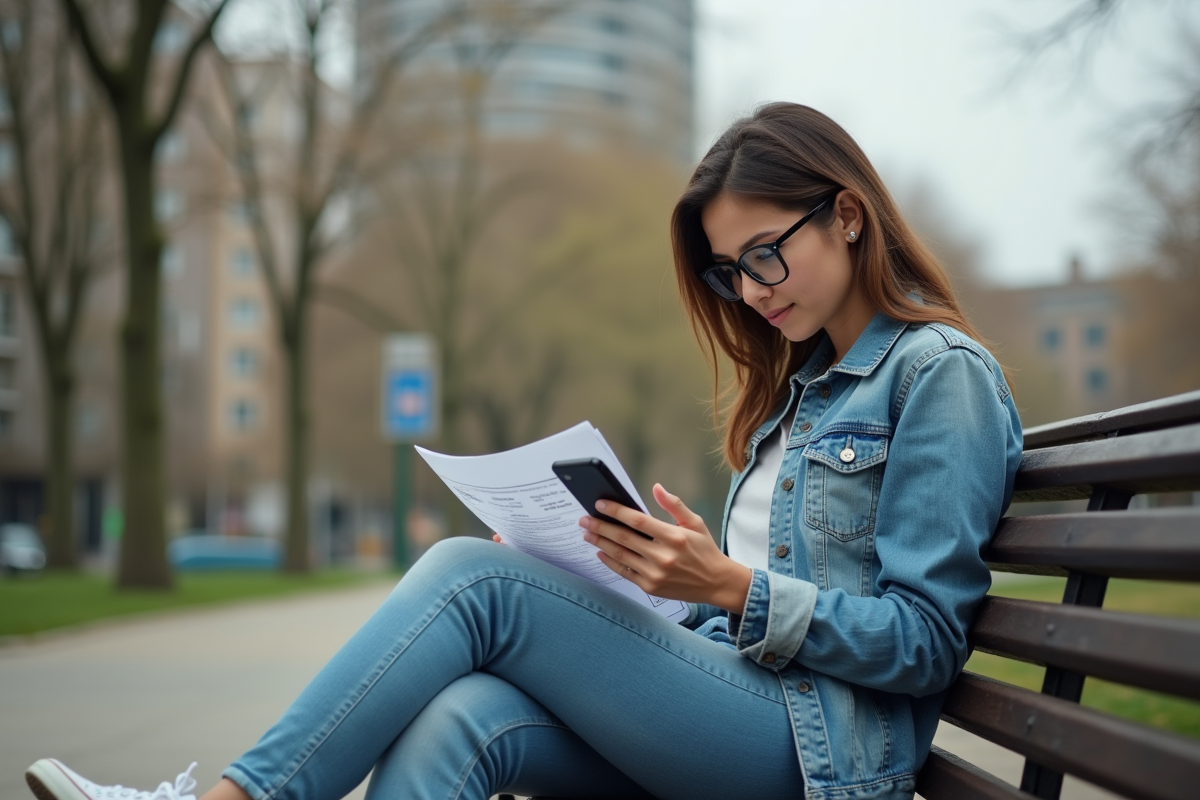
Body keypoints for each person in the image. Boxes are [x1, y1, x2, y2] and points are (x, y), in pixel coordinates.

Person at [25, 103, 1022, 800]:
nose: (754, 290)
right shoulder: (799, 395)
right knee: (463, 713)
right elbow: (762, 606)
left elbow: (925, 639)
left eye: (767, 252)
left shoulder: (938, 373)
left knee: (475, 578)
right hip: (741, 703)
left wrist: (732, 588)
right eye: (730, 273)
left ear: (848, 214)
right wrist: (667, 584)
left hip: (814, 753)